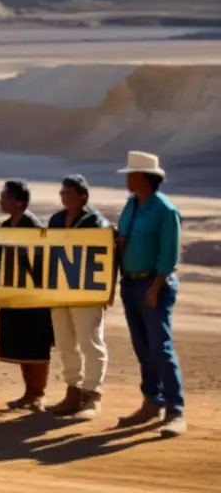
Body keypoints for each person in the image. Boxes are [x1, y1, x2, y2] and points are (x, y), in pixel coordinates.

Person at [114, 151, 186, 438]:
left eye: (131, 174)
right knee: (143, 347)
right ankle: (151, 401)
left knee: (160, 348)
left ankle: (175, 409)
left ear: (143, 178)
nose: (127, 179)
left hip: (153, 286)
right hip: (130, 283)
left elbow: (169, 255)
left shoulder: (165, 210)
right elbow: (121, 239)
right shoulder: (132, 204)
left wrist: (155, 289)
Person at [47, 174, 111, 418]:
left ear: (83, 196)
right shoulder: (56, 220)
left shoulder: (96, 223)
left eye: (68, 193)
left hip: (86, 292)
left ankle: (92, 394)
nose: (64, 197)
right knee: (64, 342)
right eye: (62, 193)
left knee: (90, 341)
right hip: (59, 290)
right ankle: (72, 391)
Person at [0, 179, 54, 411]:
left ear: (19, 202)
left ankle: (38, 393)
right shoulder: (5, 226)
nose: (1, 200)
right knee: (20, 345)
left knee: (36, 345)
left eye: (5, 196)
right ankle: (28, 392)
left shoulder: (33, 227)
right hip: (13, 296)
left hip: (35, 298)